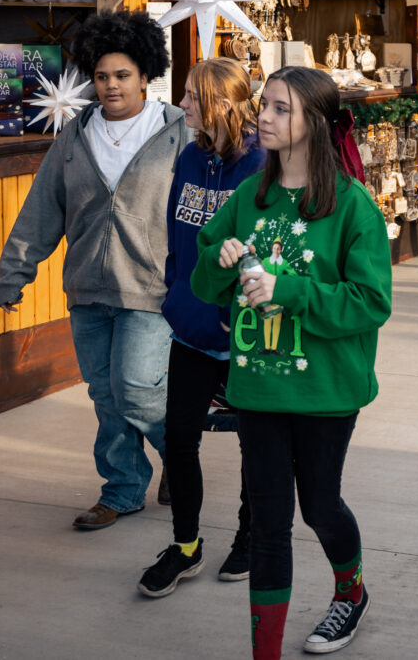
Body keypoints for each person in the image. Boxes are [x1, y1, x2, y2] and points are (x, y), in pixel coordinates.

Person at [192, 66, 392, 659]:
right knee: (269, 524)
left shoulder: (353, 206)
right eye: (265, 105)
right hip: (257, 389)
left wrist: (289, 291)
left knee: (320, 506)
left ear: (316, 123)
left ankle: (350, 592)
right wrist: (220, 262)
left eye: (281, 108)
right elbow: (202, 283)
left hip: (327, 390)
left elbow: (371, 302)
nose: (265, 117)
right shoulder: (247, 200)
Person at [0, 9, 186, 529]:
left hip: (151, 287)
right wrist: (14, 272)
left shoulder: (176, 132)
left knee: (137, 389)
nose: (111, 86)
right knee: (105, 397)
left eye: (122, 75)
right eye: (101, 76)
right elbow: (42, 209)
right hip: (87, 287)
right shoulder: (76, 136)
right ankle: (122, 490)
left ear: (145, 75)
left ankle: (179, 455)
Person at [138, 57, 267, 597]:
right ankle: (185, 545)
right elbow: (176, 231)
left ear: (220, 104)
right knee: (179, 438)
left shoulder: (261, 165)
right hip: (190, 327)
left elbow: (267, 249)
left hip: (243, 336)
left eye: (192, 96)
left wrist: (239, 312)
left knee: (255, 445)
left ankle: (250, 537)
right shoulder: (190, 157)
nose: (182, 103)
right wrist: (176, 292)